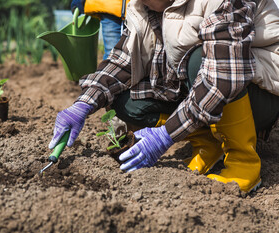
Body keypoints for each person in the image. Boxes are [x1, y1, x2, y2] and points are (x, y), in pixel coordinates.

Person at [50, 0, 279, 193]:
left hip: (257, 95)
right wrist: (83, 103)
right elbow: (123, 62)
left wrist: (165, 136)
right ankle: (210, 142)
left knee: (200, 60)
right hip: (208, 88)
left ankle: (244, 161)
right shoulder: (142, 6)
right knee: (127, 103)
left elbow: (223, 78)